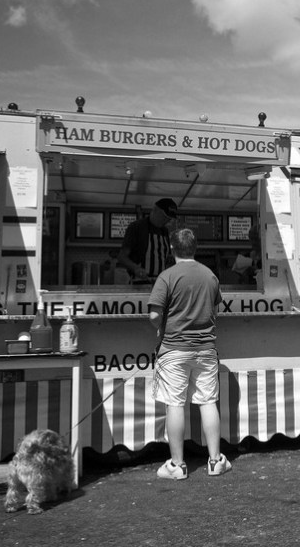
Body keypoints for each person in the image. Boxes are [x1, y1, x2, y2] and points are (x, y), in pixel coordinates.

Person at [148, 227, 231, 480]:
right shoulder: (210, 276)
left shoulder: (167, 276)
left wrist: (161, 328)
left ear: (172, 248)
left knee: (175, 404)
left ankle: (177, 465)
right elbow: (216, 311)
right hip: (206, 350)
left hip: (174, 349)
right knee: (208, 402)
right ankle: (215, 461)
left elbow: (154, 315)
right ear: (195, 248)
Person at [117, 198, 177, 282]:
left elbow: (166, 258)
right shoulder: (136, 227)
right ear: (155, 210)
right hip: (139, 282)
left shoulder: (165, 231)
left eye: (169, 219)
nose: (166, 221)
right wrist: (136, 268)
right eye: (164, 217)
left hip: (161, 282)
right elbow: (122, 257)